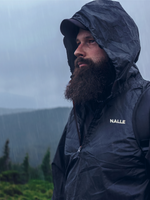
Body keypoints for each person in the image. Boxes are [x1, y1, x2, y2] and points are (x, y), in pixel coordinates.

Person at [52, 0, 150, 199]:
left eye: (91, 41)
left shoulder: (144, 104)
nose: (78, 51)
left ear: (115, 47)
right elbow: (61, 179)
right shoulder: (79, 110)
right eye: (78, 42)